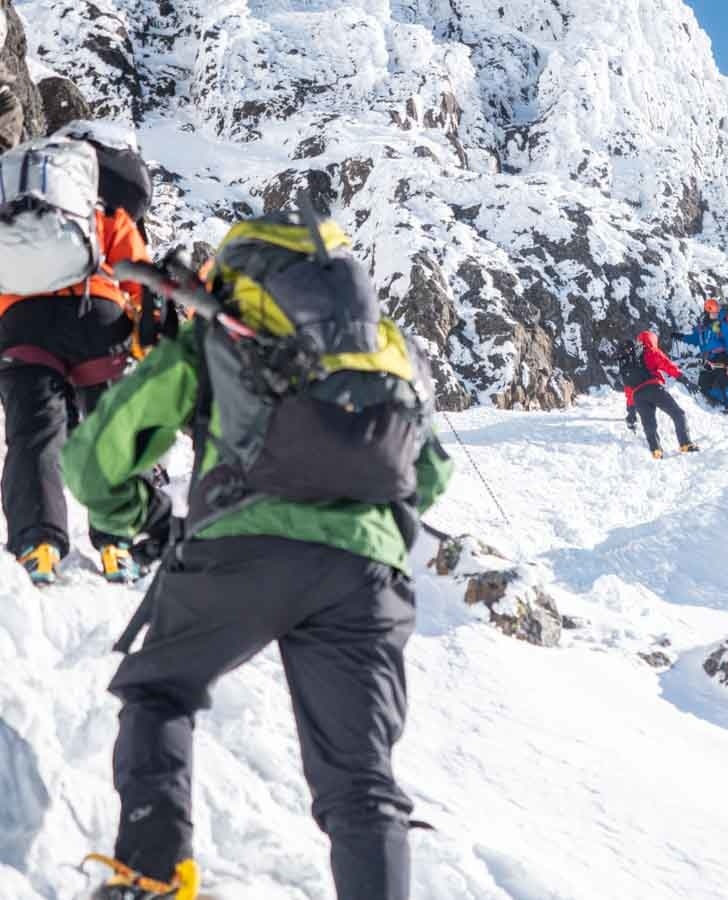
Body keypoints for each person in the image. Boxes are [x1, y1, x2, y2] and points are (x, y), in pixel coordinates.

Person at [64, 209, 455, 900]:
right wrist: (352, 523)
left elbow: (96, 463)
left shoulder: (216, 337)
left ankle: (151, 876)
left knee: (159, 690)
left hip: (239, 550)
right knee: (360, 782)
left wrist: (141, 518)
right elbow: (430, 476)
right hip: (365, 576)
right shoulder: (389, 349)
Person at [0, 137, 151, 585]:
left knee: (33, 435)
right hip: (97, 321)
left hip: (23, 325)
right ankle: (117, 546)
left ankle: (37, 545)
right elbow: (140, 276)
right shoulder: (103, 216)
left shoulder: (11, 219)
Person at [619, 330, 699, 459]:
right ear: (652, 340)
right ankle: (685, 444)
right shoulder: (651, 351)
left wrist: (631, 412)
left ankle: (656, 451)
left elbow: (628, 391)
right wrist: (685, 380)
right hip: (654, 389)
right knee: (678, 413)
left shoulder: (630, 361)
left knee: (649, 424)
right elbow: (668, 366)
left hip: (638, 396)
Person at [673, 298, 728, 414]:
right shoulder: (702, 328)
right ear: (707, 312)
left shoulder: (722, 325)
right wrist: (681, 337)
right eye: (712, 312)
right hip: (708, 360)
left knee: (723, 379)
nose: (715, 314)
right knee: (704, 386)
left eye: (716, 312)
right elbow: (695, 339)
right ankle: (724, 400)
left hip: (721, 357)